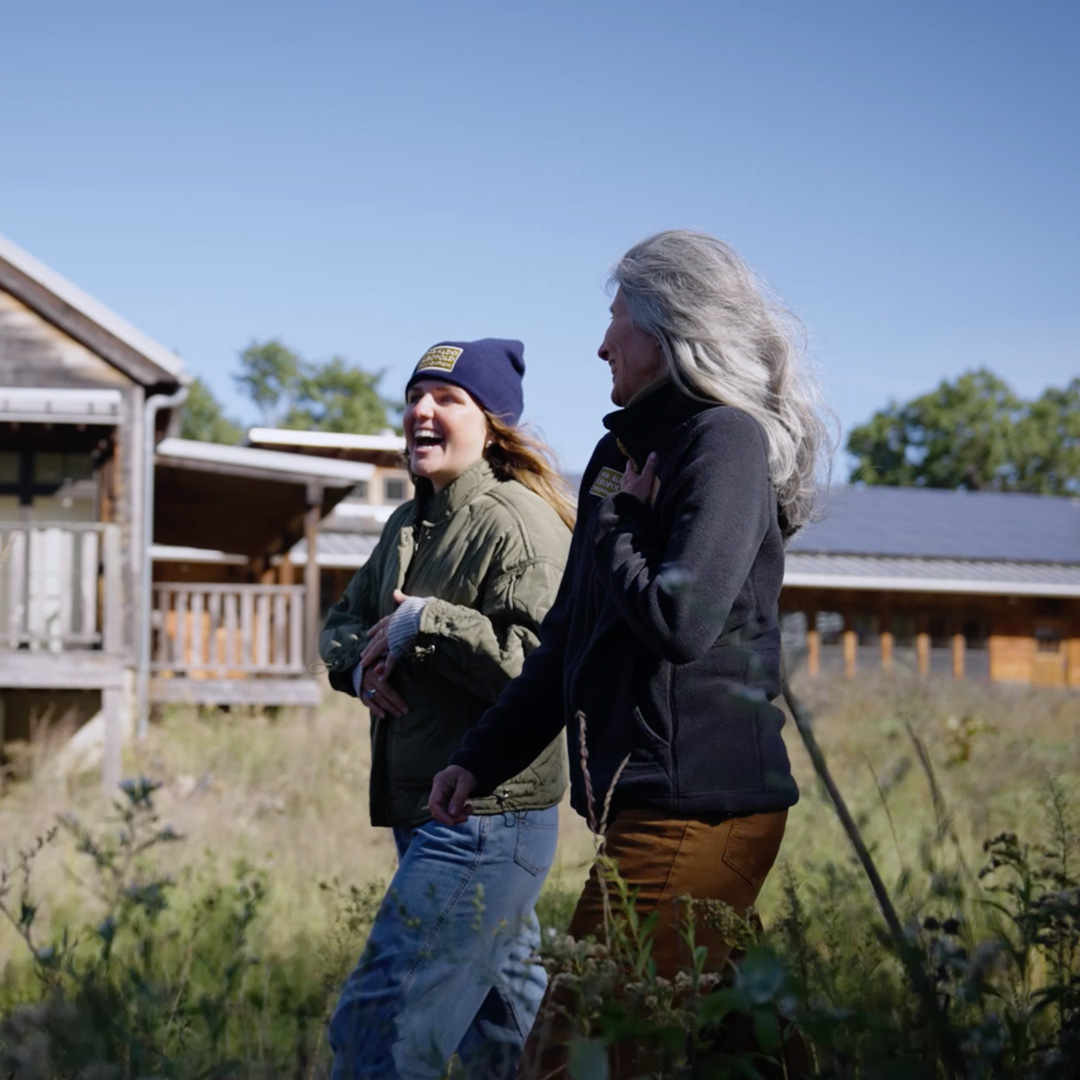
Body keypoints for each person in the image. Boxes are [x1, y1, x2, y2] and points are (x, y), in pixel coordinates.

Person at [429, 231, 831, 1074]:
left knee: (577, 1054)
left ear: (672, 327)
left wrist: (615, 519)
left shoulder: (723, 442)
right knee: (751, 1052)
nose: (602, 341)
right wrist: (482, 756)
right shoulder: (620, 455)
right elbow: (570, 633)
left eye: (617, 318)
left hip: (700, 804)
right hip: (647, 801)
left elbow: (681, 623)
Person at [320, 338, 574, 1080]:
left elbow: (542, 668)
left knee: (379, 1026)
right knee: (513, 1045)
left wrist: (428, 623)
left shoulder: (518, 523)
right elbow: (341, 622)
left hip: (486, 818)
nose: (420, 411)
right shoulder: (406, 525)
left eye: (447, 399)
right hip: (427, 808)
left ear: (493, 424)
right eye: (413, 396)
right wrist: (358, 674)